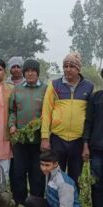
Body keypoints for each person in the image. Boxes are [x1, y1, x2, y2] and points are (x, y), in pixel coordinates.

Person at [41, 52, 94, 186]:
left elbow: (89, 116)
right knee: (55, 177)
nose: (67, 69)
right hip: (58, 138)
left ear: (79, 69)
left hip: (78, 139)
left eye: (71, 66)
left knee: (74, 179)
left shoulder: (88, 86)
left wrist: (86, 143)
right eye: (65, 66)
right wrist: (45, 138)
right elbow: (46, 112)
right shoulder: (53, 85)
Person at [8, 59, 46, 205]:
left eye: (33, 71)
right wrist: (12, 125)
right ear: (24, 73)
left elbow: (49, 113)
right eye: (27, 71)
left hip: (38, 142)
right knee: (18, 173)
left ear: (37, 73)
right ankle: (20, 202)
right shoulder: (17, 89)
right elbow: (12, 111)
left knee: (37, 175)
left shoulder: (45, 89)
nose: (30, 74)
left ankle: (35, 202)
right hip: (20, 140)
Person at [82, 68, 103, 207]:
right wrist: (85, 145)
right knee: (97, 185)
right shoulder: (95, 98)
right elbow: (88, 122)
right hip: (97, 150)